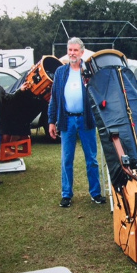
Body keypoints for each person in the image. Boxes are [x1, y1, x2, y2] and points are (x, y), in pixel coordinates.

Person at [48, 37, 105, 207]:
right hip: (67, 120)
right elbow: (54, 99)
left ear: (82, 52)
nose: (72, 53)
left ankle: (95, 193)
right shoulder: (60, 72)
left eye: (75, 50)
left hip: (86, 120)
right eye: (70, 50)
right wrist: (51, 121)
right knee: (67, 159)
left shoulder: (89, 71)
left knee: (91, 160)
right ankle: (66, 194)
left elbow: (99, 94)